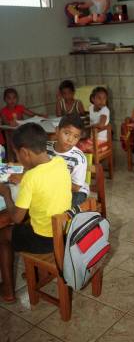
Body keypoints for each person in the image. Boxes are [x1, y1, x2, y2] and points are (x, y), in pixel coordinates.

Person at [0, 123, 71, 302]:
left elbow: (16, 218)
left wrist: (6, 193)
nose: (18, 157)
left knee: (3, 235)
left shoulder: (31, 178)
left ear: (24, 153)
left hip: (46, 241)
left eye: (17, 154)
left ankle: (8, 290)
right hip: (65, 232)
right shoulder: (60, 162)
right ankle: (36, 272)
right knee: (30, 220)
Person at [46, 114, 89, 206]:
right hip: (50, 187)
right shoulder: (45, 148)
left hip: (74, 191)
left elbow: (76, 187)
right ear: (57, 131)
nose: (70, 139)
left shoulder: (79, 158)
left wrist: (51, 182)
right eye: (66, 133)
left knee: (65, 204)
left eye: (75, 137)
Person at [77, 86, 110, 151]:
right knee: (75, 145)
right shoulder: (91, 108)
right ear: (93, 99)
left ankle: (90, 160)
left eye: (104, 98)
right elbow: (87, 117)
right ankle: (86, 160)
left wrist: (89, 126)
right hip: (92, 139)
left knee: (82, 149)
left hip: (102, 142)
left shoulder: (105, 110)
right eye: (99, 98)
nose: (102, 101)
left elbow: (101, 125)